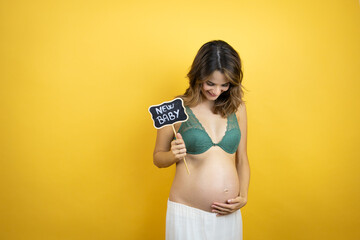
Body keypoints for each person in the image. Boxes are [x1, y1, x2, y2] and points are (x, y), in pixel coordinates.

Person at [153, 40, 250, 240]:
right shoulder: (176, 109)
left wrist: (244, 196)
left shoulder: (237, 108)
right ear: (198, 76)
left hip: (228, 214)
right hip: (186, 215)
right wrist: (172, 155)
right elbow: (157, 158)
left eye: (225, 85)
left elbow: (242, 159)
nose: (217, 91)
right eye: (210, 83)